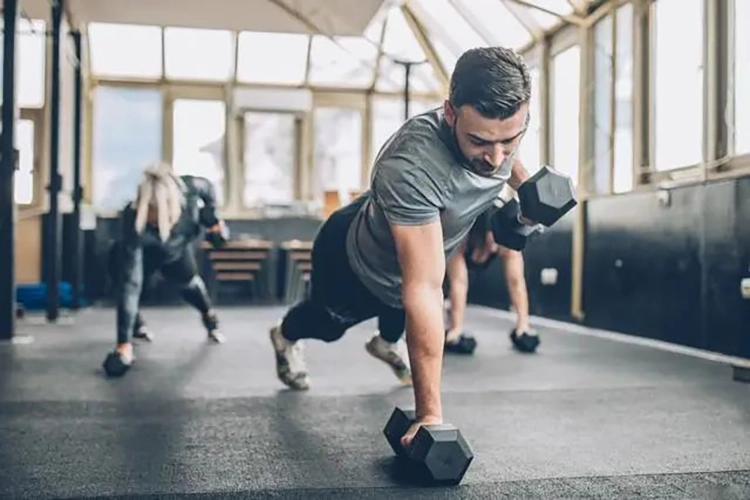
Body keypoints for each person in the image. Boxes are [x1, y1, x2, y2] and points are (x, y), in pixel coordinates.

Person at [269, 47, 533, 447]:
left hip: (404, 265)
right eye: (480, 142)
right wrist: (429, 415)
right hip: (353, 262)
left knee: (400, 314)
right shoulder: (410, 165)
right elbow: (425, 288)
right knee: (327, 327)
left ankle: (383, 343)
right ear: (450, 114)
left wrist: (527, 188)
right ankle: (284, 336)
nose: (496, 157)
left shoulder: (497, 134)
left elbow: (503, 156)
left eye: (510, 140)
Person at [104, 164, 228, 373]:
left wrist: (213, 218)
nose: (155, 215)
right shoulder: (133, 219)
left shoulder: (190, 189)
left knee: (189, 283)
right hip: (146, 254)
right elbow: (130, 284)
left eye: (159, 209)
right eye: (150, 209)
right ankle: (135, 327)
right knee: (127, 281)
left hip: (176, 251)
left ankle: (210, 319)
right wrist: (122, 346)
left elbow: (208, 187)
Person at [444, 198, 540, 355]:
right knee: (439, 297)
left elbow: (516, 282)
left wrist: (523, 325)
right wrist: (456, 329)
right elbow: (458, 283)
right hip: (442, 269)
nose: (494, 246)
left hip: (466, 268)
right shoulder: (461, 240)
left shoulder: (508, 242)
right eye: (490, 238)